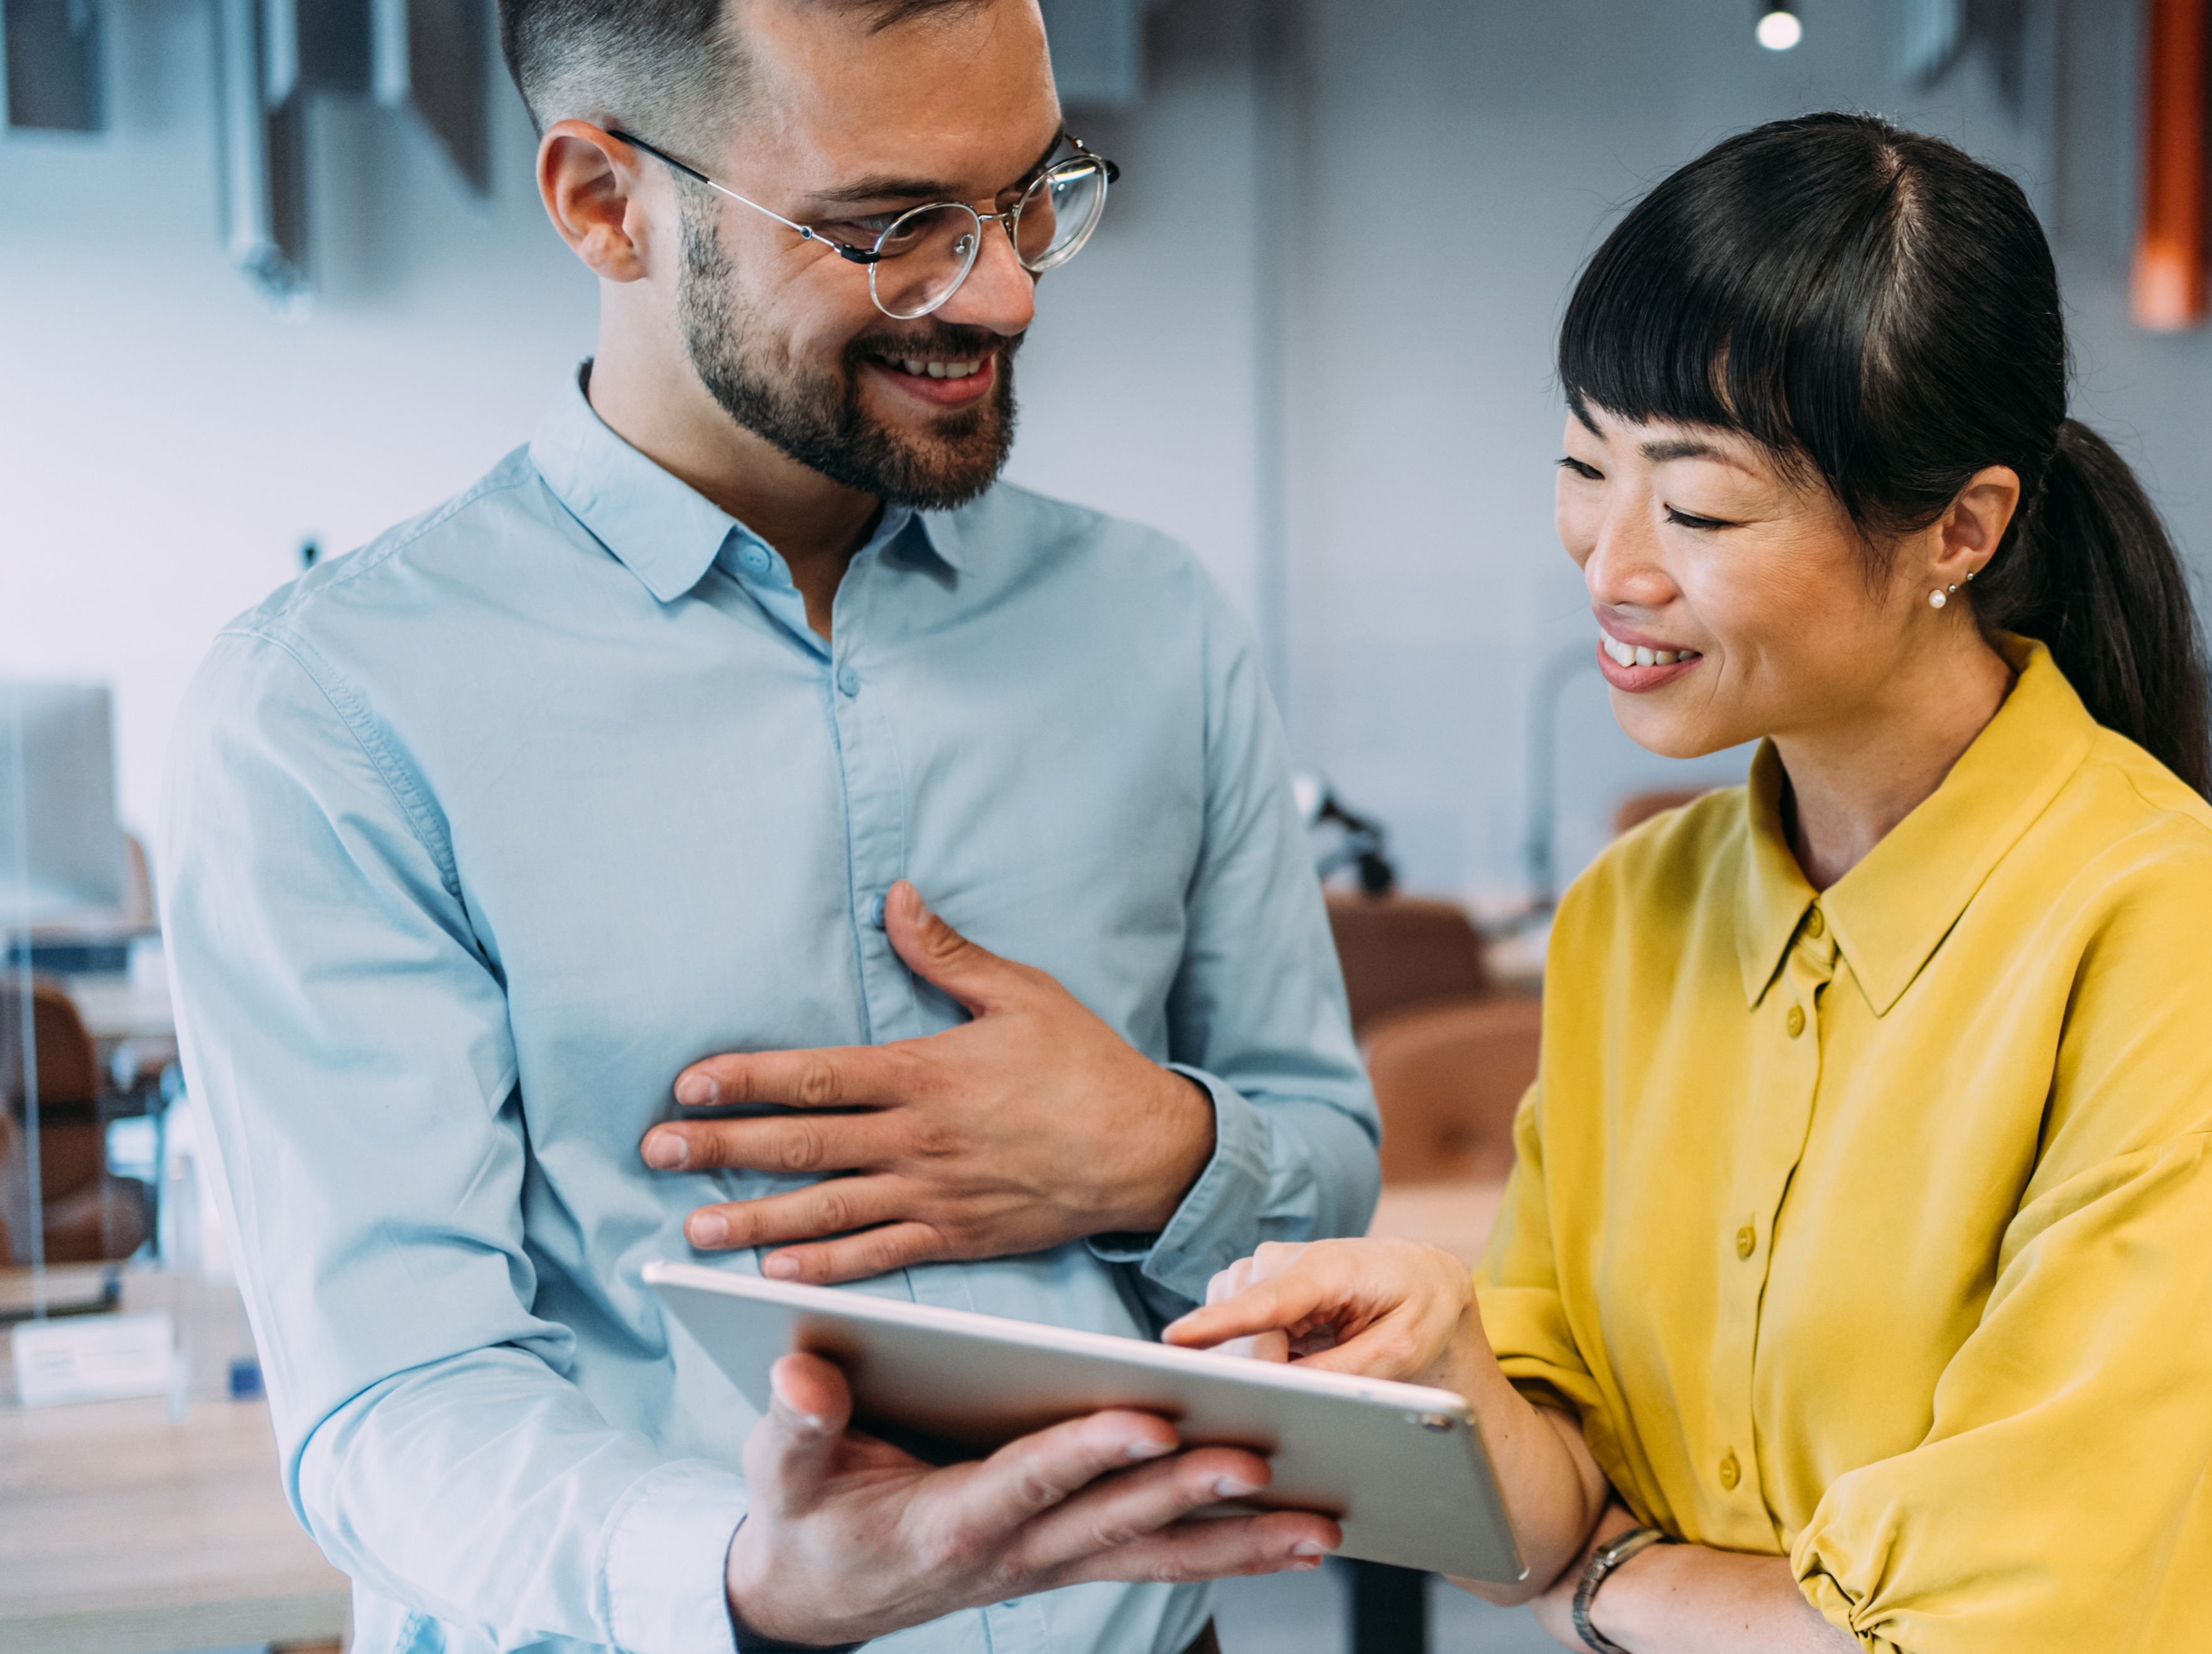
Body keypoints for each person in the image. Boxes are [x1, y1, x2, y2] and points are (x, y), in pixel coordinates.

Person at [156, 4, 1375, 1650]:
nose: (1003, 294)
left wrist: (1160, 1155)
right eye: (893, 229)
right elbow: (393, 1400)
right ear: (605, 204)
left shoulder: (1155, 622)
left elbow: (1325, 1182)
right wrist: (743, 1574)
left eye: (1029, 197)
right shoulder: (332, 709)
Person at [1161, 114, 2212, 1653]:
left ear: (1960, 529)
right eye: (1582, 465)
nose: (1612, 565)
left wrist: (1616, 1584)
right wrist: (1449, 1358)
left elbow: (2003, 1612)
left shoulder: (2167, 912)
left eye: (1701, 507)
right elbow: (1537, 1520)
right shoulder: (1629, 913)